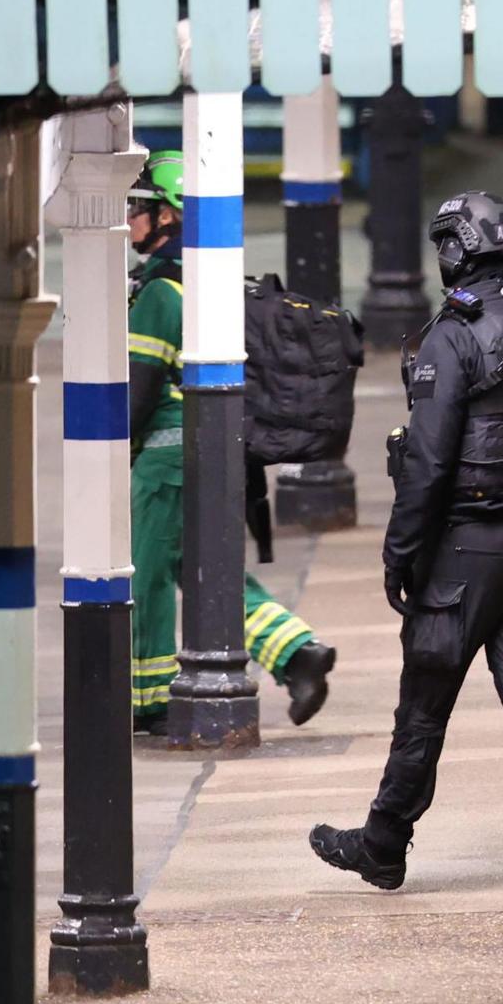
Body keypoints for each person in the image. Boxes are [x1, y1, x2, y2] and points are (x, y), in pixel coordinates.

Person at [309, 191, 503, 897]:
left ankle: (384, 844)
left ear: (456, 251)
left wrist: (401, 554)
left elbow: (429, 465)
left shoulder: (450, 339)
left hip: (462, 556)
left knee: (424, 706)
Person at [123, 150, 336, 734]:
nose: (131, 218)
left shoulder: (160, 295)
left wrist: (107, 450)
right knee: (211, 570)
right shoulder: (209, 285)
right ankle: (296, 653)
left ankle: (150, 699)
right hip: (211, 457)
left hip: (163, 464)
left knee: (147, 576)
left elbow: (137, 396)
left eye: (140, 207)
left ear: (171, 215)